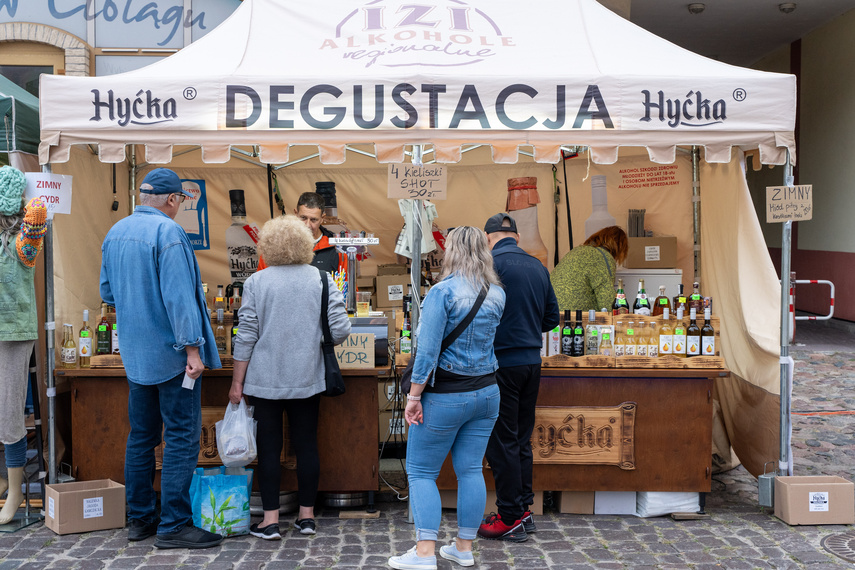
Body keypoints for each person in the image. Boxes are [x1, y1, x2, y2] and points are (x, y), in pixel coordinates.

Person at [100, 168, 223, 549]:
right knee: (182, 437)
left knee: (141, 437)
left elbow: (108, 293)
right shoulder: (168, 233)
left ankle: (140, 520)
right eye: (182, 200)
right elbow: (179, 298)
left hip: (136, 355)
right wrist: (192, 348)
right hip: (172, 356)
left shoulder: (115, 231)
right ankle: (173, 524)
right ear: (173, 199)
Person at [389, 226, 505, 570]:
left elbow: (425, 353)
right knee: (470, 470)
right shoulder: (497, 292)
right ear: (485, 251)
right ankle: (463, 548)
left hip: (446, 395)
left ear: (451, 251)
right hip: (487, 392)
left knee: (422, 471)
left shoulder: (442, 292)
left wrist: (413, 396)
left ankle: (425, 553)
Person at [229, 215, 351, 540]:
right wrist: (314, 339)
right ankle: (307, 517)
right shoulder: (323, 279)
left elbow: (246, 336)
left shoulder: (256, 282)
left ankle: (270, 521)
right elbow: (340, 329)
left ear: (267, 247)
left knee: (268, 450)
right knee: (306, 445)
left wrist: (236, 382)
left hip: (263, 380)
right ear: (305, 245)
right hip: (307, 377)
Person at [478, 213, 560, 542]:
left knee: (502, 442)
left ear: (488, 238)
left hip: (501, 363)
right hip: (531, 361)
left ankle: (510, 515)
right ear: (517, 237)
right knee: (521, 440)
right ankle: (524, 510)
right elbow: (552, 317)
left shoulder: (489, 265)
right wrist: (526, 329)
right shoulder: (538, 266)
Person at [0, 165, 46, 525]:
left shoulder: (24, 236)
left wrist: (33, 209)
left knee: (9, 411)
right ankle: (6, 482)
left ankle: (15, 491)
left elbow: (28, 252)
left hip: (14, 331)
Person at [256, 192, 345, 274]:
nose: (307, 225)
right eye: (303, 218)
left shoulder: (336, 248)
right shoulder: (277, 244)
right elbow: (261, 282)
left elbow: (345, 287)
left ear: (322, 218)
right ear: (296, 213)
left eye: (314, 220)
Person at [550, 225, 629, 311]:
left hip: (551, 313)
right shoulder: (603, 257)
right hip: (576, 317)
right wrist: (624, 316)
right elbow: (607, 301)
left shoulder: (576, 250)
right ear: (619, 247)